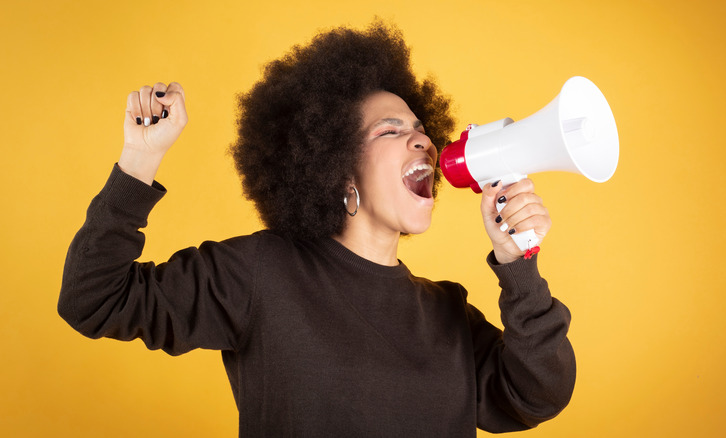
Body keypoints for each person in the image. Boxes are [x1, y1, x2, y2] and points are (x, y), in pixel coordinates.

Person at [59, 21, 575, 437]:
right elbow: (93, 297)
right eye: (391, 130)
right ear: (337, 167)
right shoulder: (262, 274)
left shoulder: (446, 313)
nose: (422, 142)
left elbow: (536, 395)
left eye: (421, 130)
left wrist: (519, 269)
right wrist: (139, 159)